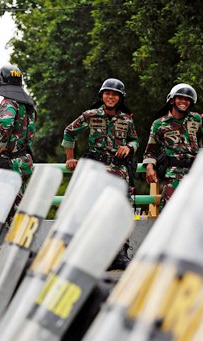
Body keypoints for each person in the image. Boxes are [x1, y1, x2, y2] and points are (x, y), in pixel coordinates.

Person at [62, 78, 139, 269]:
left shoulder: (126, 119)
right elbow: (69, 132)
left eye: (115, 94)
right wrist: (70, 158)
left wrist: (128, 147)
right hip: (96, 171)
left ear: (120, 98)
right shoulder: (90, 115)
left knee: (121, 210)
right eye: (108, 93)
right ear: (102, 96)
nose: (111, 97)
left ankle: (121, 253)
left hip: (119, 171)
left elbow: (135, 141)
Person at [144, 83, 203, 211]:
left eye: (187, 99)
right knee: (170, 213)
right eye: (180, 98)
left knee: (195, 213)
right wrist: (150, 167)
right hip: (172, 176)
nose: (184, 102)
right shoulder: (159, 124)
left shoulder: (196, 119)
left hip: (194, 175)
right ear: (172, 100)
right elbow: (150, 151)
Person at [0, 65, 36, 208]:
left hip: (9, 164)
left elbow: (6, 124)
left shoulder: (8, 103)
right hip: (24, 160)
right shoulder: (27, 106)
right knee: (21, 205)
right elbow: (24, 130)